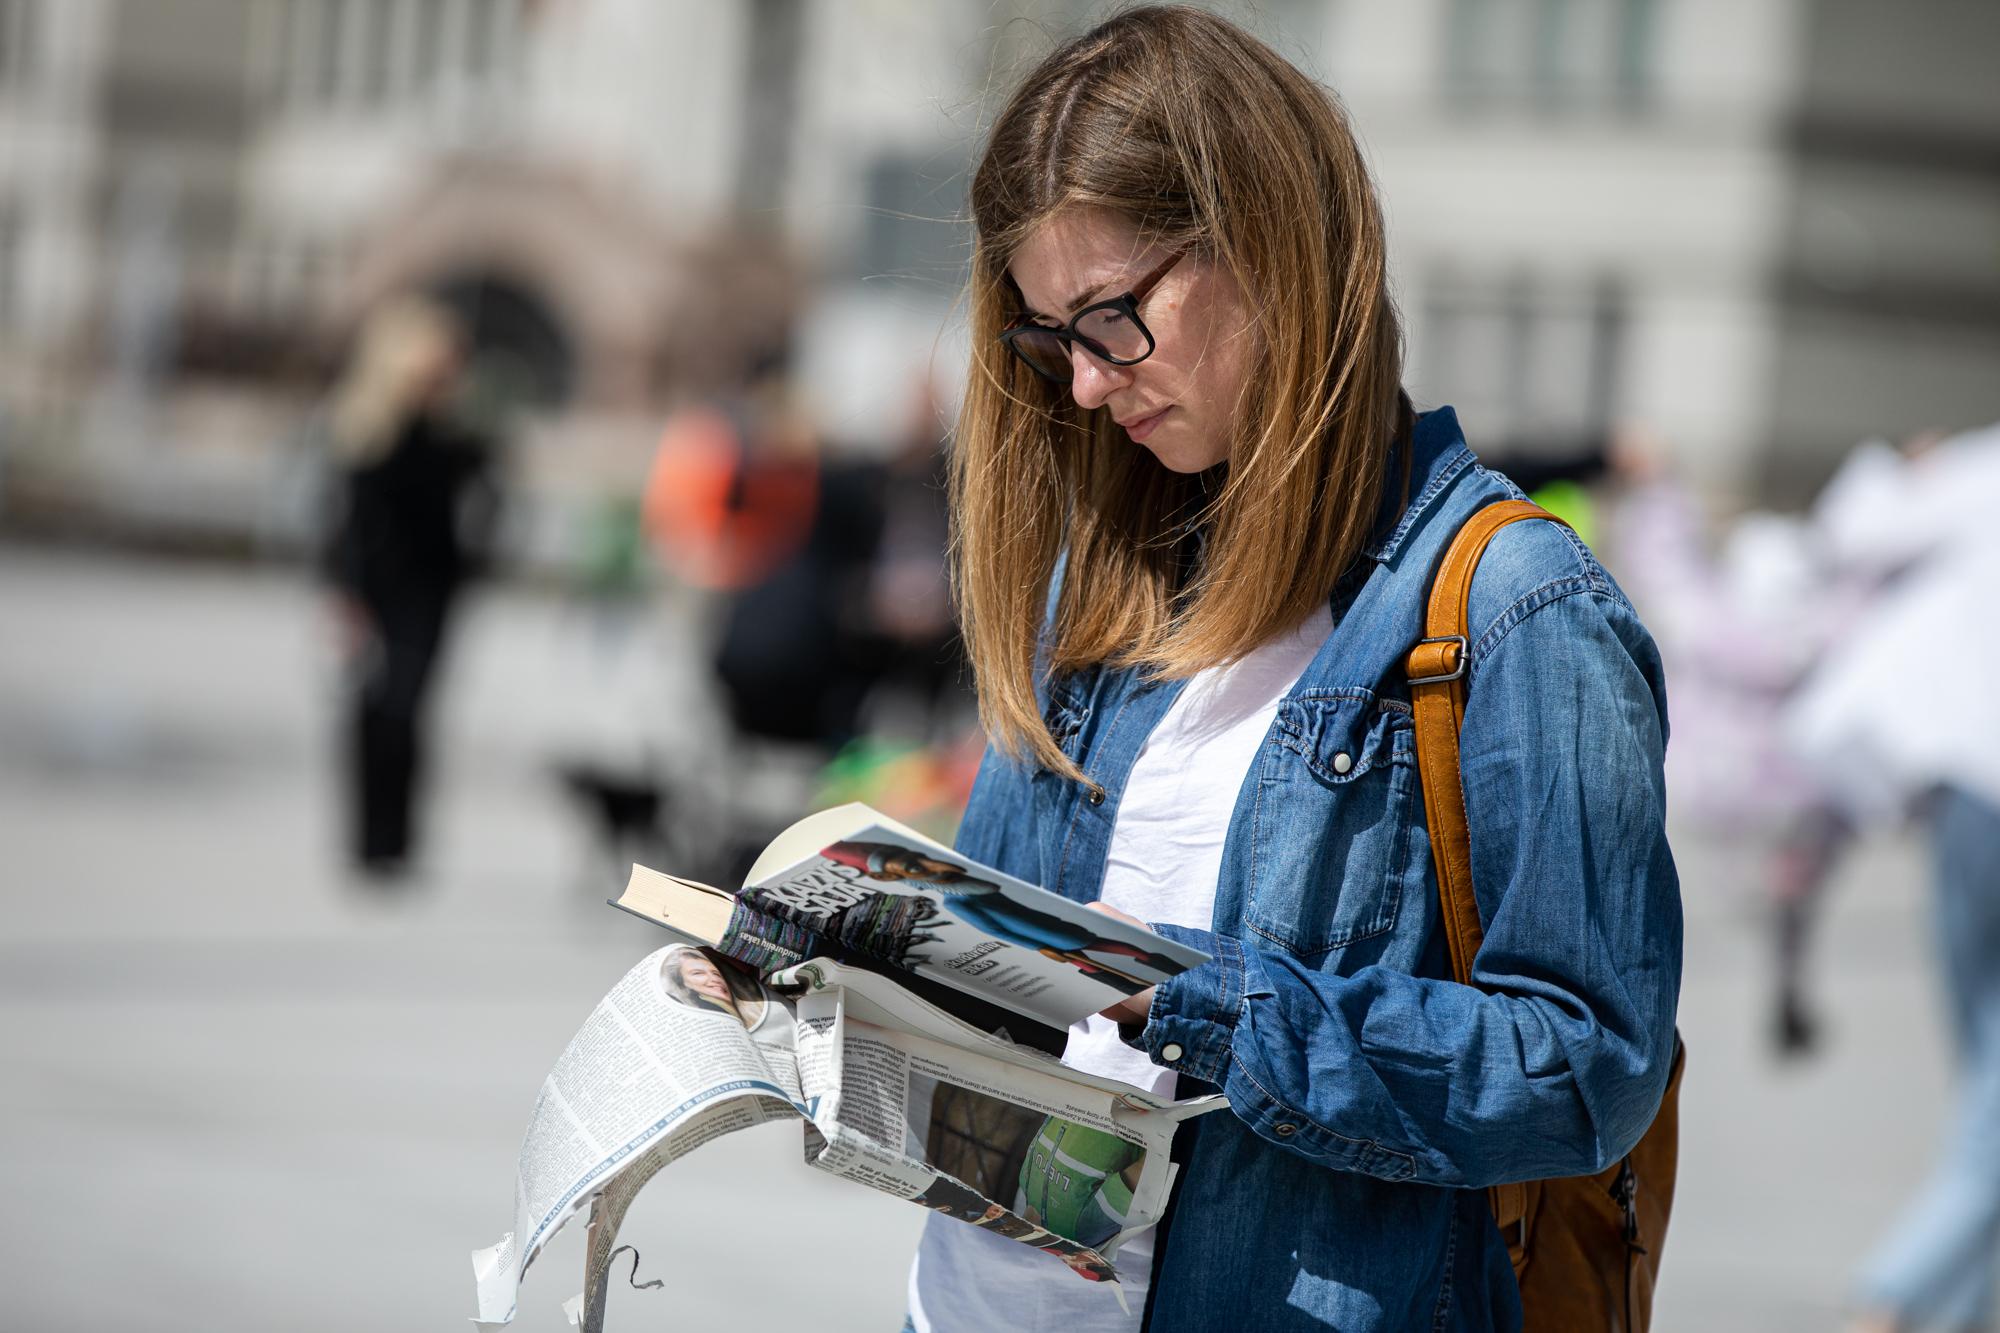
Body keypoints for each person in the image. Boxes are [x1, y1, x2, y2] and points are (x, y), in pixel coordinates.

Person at [904, 9, 1681, 1332]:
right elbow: (997, 966)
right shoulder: (1092, 580)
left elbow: (1589, 1068)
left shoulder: (1514, 610)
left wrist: (1230, 1014)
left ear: (1271, 246)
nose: (1086, 386)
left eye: (1112, 319)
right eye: (1050, 339)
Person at [321, 297, 498, 880]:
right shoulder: (370, 427)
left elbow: (485, 491)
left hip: (431, 591)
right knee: (373, 710)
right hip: (374, 590)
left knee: (411, 710)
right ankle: (368, 840)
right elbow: (345, 523)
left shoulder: (451, 432)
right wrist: (344, 597)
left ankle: (398, 842)